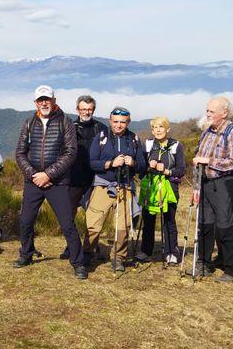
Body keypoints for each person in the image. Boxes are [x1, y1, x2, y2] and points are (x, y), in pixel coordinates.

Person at [14, 85, 87, 279]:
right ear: (35, 103)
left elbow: (71, 153)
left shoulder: (65, 122)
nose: (44, 103)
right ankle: (26, 254)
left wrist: (48, 175)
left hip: (58, 182)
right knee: (26, 221)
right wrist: (33, 175)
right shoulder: (29, 123)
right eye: (40, 100)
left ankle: (78, 262)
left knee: (67, 224)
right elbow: (20, 153)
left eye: (47, 99)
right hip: (33, 182)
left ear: (54, 101)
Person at [84, 106, 146, 272]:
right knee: (93, 224)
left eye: (123, 122)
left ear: (128, 122)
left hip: (125, 187)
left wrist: (132, 163)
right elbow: (92, 163)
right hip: (103, 186)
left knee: (123, 226)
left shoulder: (134, 139)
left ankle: (118, 257)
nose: (119, 125)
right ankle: (88, 253)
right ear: (110, 121)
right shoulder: (101, 137)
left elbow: (142, 166)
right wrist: (110, 164)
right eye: (115, 121)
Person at [191, 96, 233, 283]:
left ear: (224, 113)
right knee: (205, 224)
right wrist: (197, 185)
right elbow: (198, 158)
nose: (207, 114)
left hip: (224, 184)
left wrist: (208, 161)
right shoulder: (207, 131)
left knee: (225, 226)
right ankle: (204, 263)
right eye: (207, 110)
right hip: (205, 183)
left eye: (211, 112)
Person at [60, 95, 107, 259]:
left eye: (89, 109)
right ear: (77, 110)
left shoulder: (101, 128)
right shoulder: (69, 127)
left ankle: (90, 247)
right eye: (83, 109)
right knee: (69, 215)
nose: (86, 112)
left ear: (93, 110)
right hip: (72, 179)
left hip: (94, 179)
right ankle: (70, 246)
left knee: (94, 216)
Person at [135, 116, 186, 265]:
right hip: (150, 188)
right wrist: (147, 166)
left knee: (169, 220)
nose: (157, 130)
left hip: (169, 188)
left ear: (167, 129)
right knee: (148, 219)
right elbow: (140, 167)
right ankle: (146, 251)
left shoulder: (176, 145)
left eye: (161, 127)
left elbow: (181, 169)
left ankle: (172, 252)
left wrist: (167, 171)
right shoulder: (148, 144)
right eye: (155, 127)